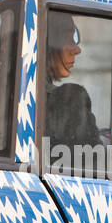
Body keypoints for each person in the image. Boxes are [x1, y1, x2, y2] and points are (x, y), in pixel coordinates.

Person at [44, 13, 100, 152]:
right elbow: (94, 164)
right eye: (68, 39)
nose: (77, 49)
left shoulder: (0, 87)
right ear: (47, 43)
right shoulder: (68, 101)